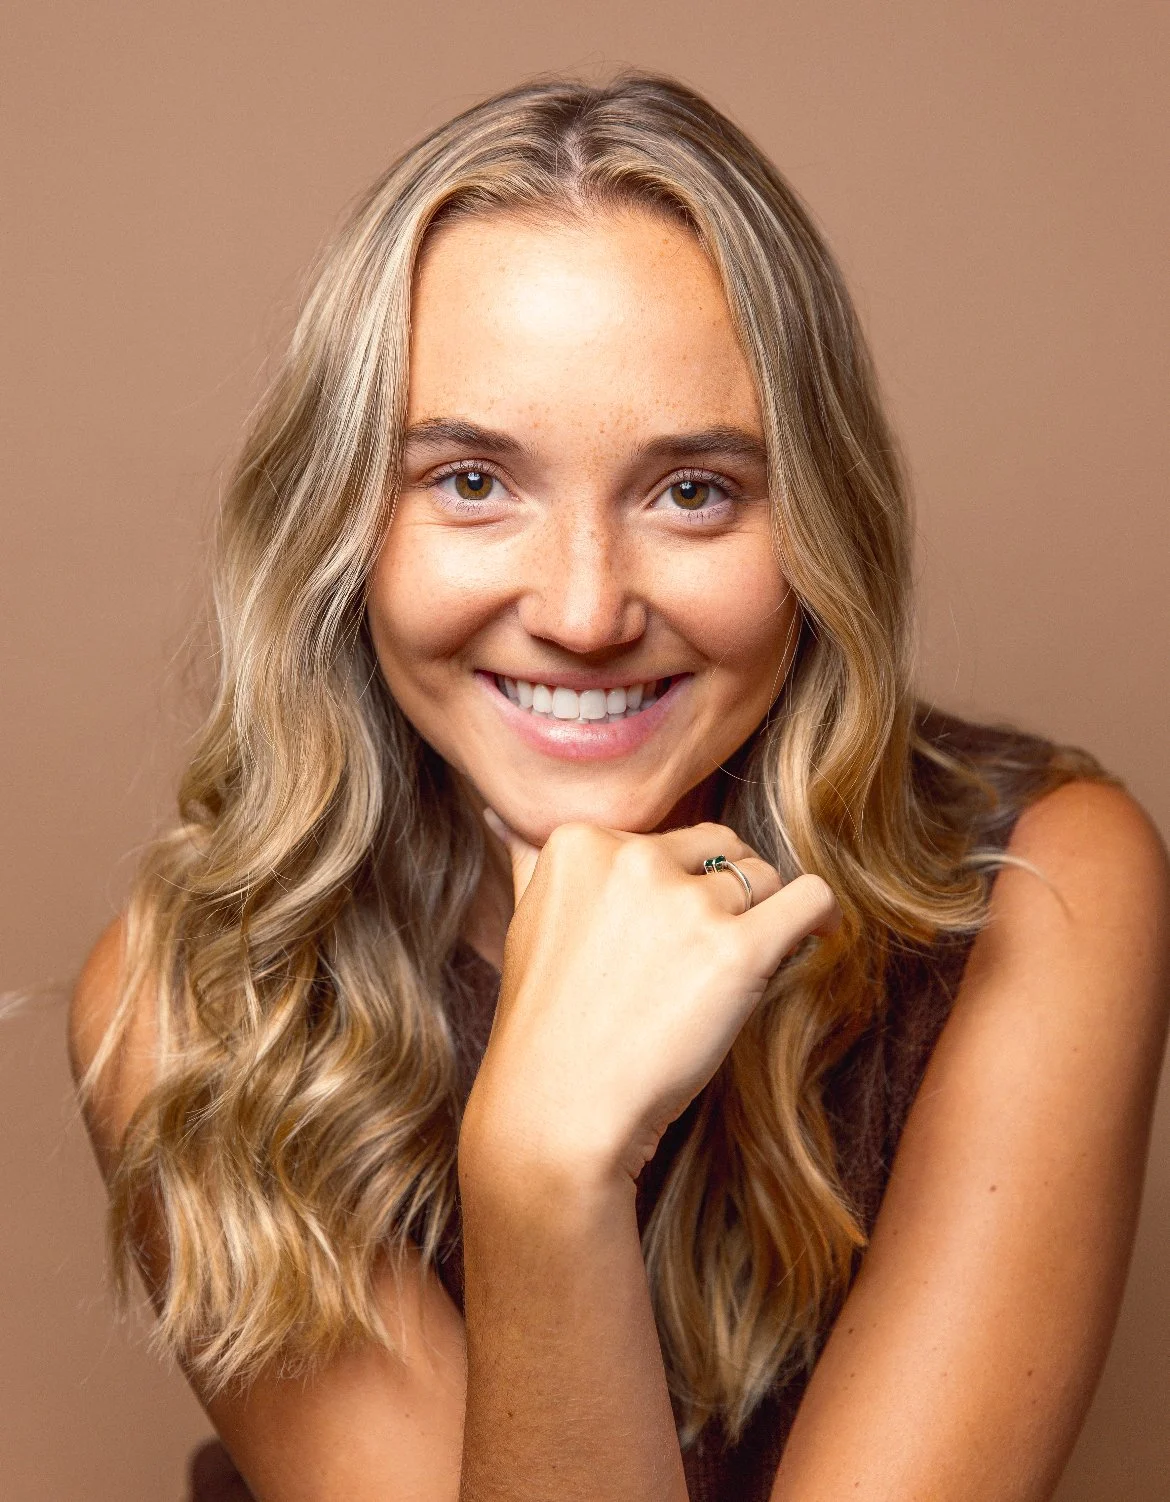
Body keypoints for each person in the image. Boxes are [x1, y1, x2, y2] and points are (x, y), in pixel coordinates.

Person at [68, 73, 1170, 1502]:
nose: (584, 611)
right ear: (342, 519)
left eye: (692, 490)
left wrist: (544, 1160)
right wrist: (543, 1168)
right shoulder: (194, 1007)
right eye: (470, 480)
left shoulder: (1037, 885)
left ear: (819, 519)